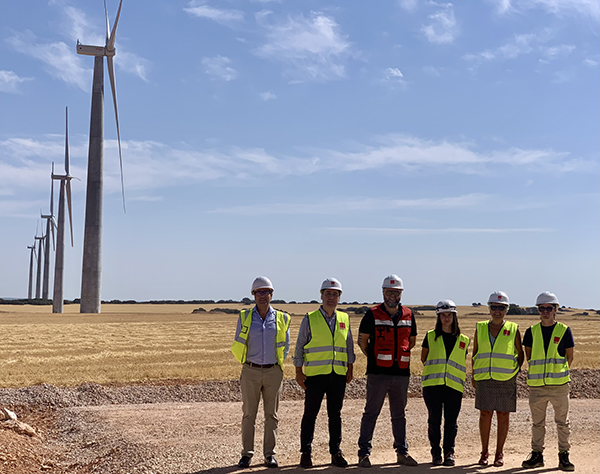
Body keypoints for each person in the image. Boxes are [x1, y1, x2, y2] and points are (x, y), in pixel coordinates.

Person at [356, 275, 418, 468]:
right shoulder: (372, 314)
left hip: (401, 374)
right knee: (371, 413)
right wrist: (374, 358)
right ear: (383, 292)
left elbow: (412, 342)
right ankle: (364, 454)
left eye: (396, 292)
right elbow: (362, 341)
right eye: (389, 291)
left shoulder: (409, 314)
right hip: (378, 374)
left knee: (399, 415)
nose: (392, 295)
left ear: (401, 293)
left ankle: (402, 453)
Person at [294, 278, 355, 468]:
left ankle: (336, 453)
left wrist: (350, 367)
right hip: (315, 376)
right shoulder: (309, 319)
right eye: (328, 294)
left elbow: (349, 346)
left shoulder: (344, 319)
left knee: (335, 415)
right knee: (310, 414)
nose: (331, 297)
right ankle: (306, 453)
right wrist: (298, 371)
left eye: (335, 294)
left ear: (339, 298)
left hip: (338, 375)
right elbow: (300, 346)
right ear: (321, 296)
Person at [231, 276, 291, 469]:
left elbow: (286, 345)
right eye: (259, 292)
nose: (262, 295)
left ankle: (269, 455)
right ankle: (246, 455)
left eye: (266, 292)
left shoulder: (282, 318)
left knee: (272, 415)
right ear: (253, 295)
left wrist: (276, 363)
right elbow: (239, 341)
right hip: (251, 370)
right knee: (249, 414)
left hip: (274, 371)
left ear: (271, 294)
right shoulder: (245, 317)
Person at [521, 292, 575, 471]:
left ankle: (564, 455)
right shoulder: (531, 331)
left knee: (563, 423)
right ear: (538, 310)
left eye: (549, 308)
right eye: (542, 308)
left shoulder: (564, 330)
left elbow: (569, 357)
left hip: (559, 386)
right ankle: (537, 455)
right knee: (537, 423)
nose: (545, 312)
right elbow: (529, 357)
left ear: (555, 309)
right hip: (537, 387)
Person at [472, 291, 524, 467]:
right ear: (489, 308)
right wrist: (474, 375)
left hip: (506, 379)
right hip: (484, 377)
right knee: (485, 414)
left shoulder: (514, 328)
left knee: (503, 415)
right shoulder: (480, 328)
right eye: (494, 307)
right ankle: (484, 452)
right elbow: (475, 353)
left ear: (506, 310)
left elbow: (520, 354)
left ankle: (499, 453)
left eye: (501, 308)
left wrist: (513, 371)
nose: (497, 311)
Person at [421, 300, 470, 467]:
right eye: (443, 315)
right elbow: (423, 358)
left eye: (450, 315)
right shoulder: (430, 336)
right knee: (434, 420)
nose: (446, 318)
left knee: (451, 422)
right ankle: (436, 453)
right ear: (438, 317)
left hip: (454, 386)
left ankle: (449, 453)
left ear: (454, 316)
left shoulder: (463, 340)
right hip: (433, 385)